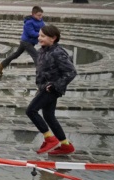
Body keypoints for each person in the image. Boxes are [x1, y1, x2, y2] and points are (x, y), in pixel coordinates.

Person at [27, 25, 77, 155]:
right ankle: (66, 145)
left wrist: (55, 85)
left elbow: (71, 72)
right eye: (39, 35)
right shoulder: (43, 50)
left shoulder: (58, 52)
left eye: (43, 36)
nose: (39, 38)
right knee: (49, 116)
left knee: (31, 111)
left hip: (52, 89)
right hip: (44, 88)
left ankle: (49, 138)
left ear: (53, 38)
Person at [0, 6, 45, 75]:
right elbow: (31, 33)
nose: (40, 16)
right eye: (38, 15)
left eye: (41, 15)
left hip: (30, 42)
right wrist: (42, 35)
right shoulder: (29, 23)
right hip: (26, 42)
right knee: (36, 56)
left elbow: (44, 29)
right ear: (33, 14)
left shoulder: (41, 21)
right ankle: (40, 73)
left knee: (16, 54)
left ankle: (1, 65)